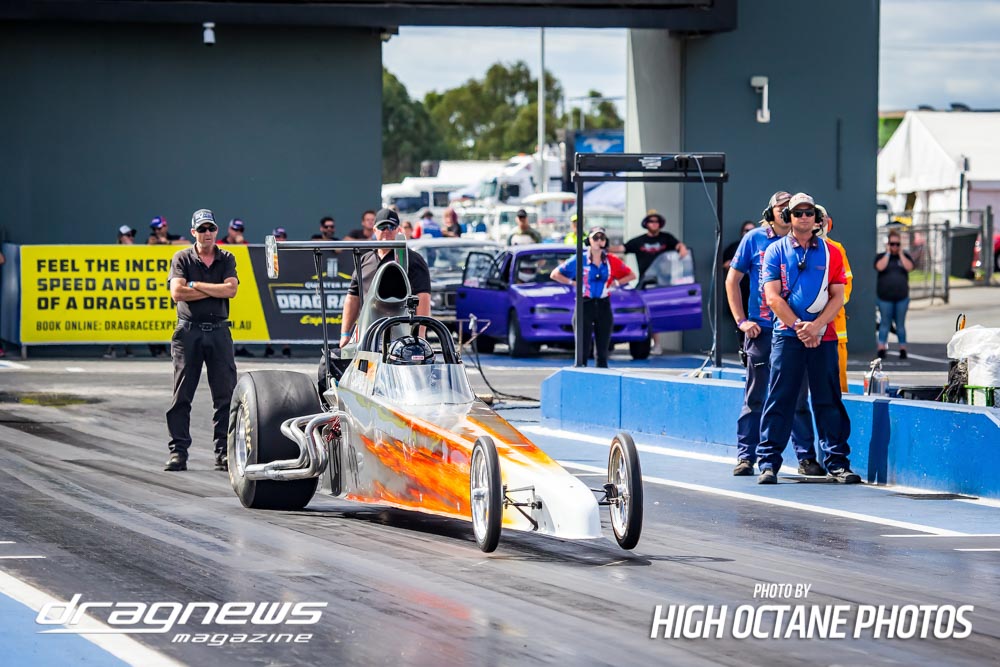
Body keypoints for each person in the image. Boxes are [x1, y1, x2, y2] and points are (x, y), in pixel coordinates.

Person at [757, 193, 859, 485]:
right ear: (788, 217)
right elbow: (773, 297)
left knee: (829, 399)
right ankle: (768, 463)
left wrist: (816, 327)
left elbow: (838, 295)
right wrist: (800, 327)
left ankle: (837, 463)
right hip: (787, 336)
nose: (804, 217)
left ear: (817, 218)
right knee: (780, 398)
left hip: (823, 337)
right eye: (798, 212)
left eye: (809, 212)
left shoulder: (832, 252)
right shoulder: (774, 251)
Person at [726, 191, 819, 477]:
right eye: (781, 208)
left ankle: (806, 457)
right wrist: (741, 321)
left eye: (790, 208)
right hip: (762, 329)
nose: (786, 212)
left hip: (792, 331)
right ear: (770, 213)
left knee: (798, 396)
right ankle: (746, 456)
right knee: (755, 396)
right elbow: (732, 280)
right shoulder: (754, 239)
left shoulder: (802, 242)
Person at [164, 209, 239, 472]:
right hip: (189, 332)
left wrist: (195, 285)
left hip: (218, 331)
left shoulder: (226, 257)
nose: (207, 233)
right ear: (193, 232)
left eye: (211, 228)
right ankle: (178, 452)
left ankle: (224, 453)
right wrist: (214, 290)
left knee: (226, 396)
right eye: (202, 229)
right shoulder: (182, 257)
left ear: (216, 231)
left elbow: (231, 290)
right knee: (182, 395)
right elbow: (177, 293)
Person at [339, 208, 432, 349]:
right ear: (374, 230)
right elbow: (352, 297)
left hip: (403, 334)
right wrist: (345, 334)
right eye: (382, 227)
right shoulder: (365, 260)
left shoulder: (412, 259)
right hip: (368, 332)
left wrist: (420, 335)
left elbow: (423, 296)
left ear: (398, 230)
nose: (387, 231)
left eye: (391, 227)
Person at [550, 227, 635, 368]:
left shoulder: (611, 260)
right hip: (585, 303)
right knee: (582, 347)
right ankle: (581, 371)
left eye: (602, 238)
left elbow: (631, 275)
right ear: (589, 240)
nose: (599, 241)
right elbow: (555, 274)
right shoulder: (580, 259)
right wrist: (572, 282)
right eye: (595, 238)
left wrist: (616, 283)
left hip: (603, 304)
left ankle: (602, 371)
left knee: (602, 348)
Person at [816, 205, 853, 391]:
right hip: (806, 325)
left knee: (838, 377)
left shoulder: (836, 249)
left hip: (835, 324)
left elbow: (846, 284)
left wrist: (831, 306)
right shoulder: (793, 247)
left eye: (822, 218)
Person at [617, 211, 689, 283]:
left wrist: (682, 248)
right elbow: (622, 248)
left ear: (660, 224)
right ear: (646, 224)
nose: (654, 223)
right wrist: (609, 248)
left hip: (664, 280)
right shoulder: (638, 241)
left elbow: (678, 245)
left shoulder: (667, 237)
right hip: (645, 281)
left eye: (657, 221)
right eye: (651, 221)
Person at [875, 230, 914, 359]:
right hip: (885, 297)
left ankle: (903, 348)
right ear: (888, 244)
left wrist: (901, 253)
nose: (895, 247)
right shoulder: (881, 256)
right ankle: (881, 348)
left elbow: (909, 267)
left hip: (901, 297)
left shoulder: (904, 257)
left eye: (897, 244)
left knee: (900, 324)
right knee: (885, 323)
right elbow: (880, 267)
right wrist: (888, 253)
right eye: (892, 244)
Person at [104, 225, 137, 359]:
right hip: (116, 291)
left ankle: (128, 348)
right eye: (127, 235)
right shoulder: (114, 251)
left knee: (128, 318)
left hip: (129, 290)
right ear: (120, 237)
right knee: (115, 319)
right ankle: (111, 348)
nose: (131, 238)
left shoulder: (136, 251)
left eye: (132, 235)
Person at [265, 227, 292, 359]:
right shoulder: (267, 252)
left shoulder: (290, 253)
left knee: (286, 318)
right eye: (277, 236)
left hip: (285, 288)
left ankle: (286, 347)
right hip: (269, 288)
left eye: (282, 236)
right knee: (269, 316)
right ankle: (268, 347)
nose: (279, 239)